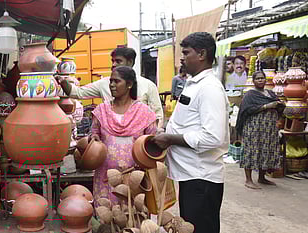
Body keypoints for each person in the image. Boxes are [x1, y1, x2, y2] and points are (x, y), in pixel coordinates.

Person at [151, 32, 229, 233]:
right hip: (191, 177)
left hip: (202, 179)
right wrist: (165, 130)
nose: (182, 58)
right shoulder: (195, 83)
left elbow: (213, 137)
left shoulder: (210, 88)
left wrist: (170, 138)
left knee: (200, 228)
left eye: (186, 53)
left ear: (202, 54)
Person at [89, 66, 157, 207]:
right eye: (111, 81)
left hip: (134, 179)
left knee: (133, 217)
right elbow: (94, 132)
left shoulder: (144, 113)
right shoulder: (102, 111)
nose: (112, 85)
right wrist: (93, 138)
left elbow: (152, 144)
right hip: (105, 178)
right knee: (107, 218)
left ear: (129, 84)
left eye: (117, 81)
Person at [55, 47, 164, 130]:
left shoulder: (148, 85)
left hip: (138, 140)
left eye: (118, 61)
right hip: (110, 139)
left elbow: (157, 116)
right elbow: (77, 93)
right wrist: (62, 80)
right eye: (112, 61)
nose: (113, 64)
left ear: (130, 62)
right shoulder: (104, 83)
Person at [235, 71, 284, 189]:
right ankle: (248, 180)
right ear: (254, 81)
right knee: (252, 150)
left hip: (268, 129)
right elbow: (246, 110)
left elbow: (278, 107)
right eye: (258, 79)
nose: (261, 80)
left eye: (262, 78)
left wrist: (280, 104)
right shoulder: (250, 95)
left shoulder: (271, 94)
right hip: (254, 128)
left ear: (266, 80)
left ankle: (262, 178)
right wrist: (266, 106)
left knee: (265, 150)